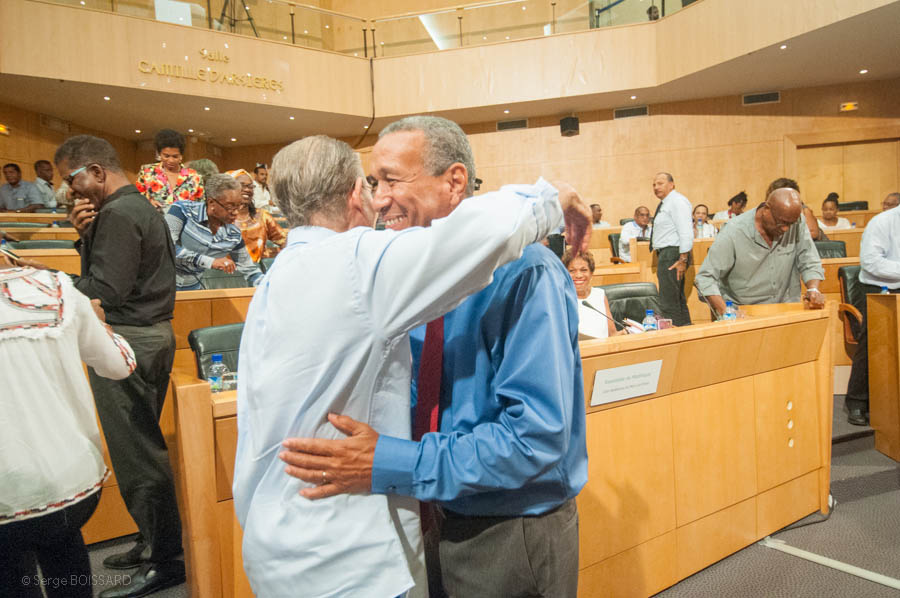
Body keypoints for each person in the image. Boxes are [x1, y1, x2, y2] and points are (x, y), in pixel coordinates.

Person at [232, 133, 588, 597]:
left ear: (455, 180)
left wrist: (394, 462)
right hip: (421, 513)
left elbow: (535, 437)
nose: (379, 201)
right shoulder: (387, 273)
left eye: (391, 180)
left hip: (504, 525)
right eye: (372, 183)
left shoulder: (525, 271)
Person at [54, 135, 184, 598]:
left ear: (97, 170)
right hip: (149, 336)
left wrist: (51, 280)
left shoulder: (117, 214)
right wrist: (85, 236)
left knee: (137, 454)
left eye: (73, 179)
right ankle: (154, 541)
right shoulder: (137, 208)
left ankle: (164, 559)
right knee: (141, 446)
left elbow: (102, 294)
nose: (71, 190)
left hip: (129, 340)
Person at [0, 255, 136, 598]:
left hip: (8, 492)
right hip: (71, 479)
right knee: (66, 563)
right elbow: (120, 366)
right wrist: (102, 326)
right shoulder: (60, 287)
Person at [695, 186, 825, 317]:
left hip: (786, 309)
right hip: (744, 312)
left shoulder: (796, 222)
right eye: (781, 222)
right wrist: (726, 312)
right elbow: (705, 278)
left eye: (790, 224)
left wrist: (813, 289)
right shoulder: (733, 231)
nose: (786, 229)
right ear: (766, 210)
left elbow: (809, 260)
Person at [844, 205, 900, 425]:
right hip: (879, 291)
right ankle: (857, 401)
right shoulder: (882, 222)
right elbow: (871, 262)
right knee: (871, 344)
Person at [165, 173, 263, 290]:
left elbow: (249, 268)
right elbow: (167, 248)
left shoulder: (233, 235)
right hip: (161, 285)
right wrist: (210, 261)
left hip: (193, 289)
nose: (236, 213)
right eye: (230, 206)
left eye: (239, 206)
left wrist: (267, 285)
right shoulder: (182, 210)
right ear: (211, 202)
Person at [650, 172, 693, 326]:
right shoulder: (667, 203)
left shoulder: (677, 201)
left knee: (668, 302)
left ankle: (676, 338)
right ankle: (686, 335)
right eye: (654, 184)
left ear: (672, 184)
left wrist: (682, 259)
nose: (656, 187)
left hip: (673, 254)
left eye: (660, 183)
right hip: (669, 254)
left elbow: (686, 231)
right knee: (676, 300)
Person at [135, 129, 204, 209]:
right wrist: (148, 202)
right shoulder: (147, 172)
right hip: (153, 219)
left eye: (175, 156)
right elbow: (136, 199)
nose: (171, 160)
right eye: (166, 156)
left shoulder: (194, 177)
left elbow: (200, 206)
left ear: (181, 156)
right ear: (159, 154)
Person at [230, 169, 286, 262]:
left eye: (250, 186)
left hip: (258, 272)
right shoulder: (218, 218)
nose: (247, 189)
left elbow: (284, 241)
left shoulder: (262, 216)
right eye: (242, 185)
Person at [564, 248, 621, 338]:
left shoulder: (600, 295)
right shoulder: (561, 299)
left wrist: (627, 333)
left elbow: (612, 334)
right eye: (572, 271)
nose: (578, 275)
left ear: (591, 273)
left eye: (584, 270)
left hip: (604, 350)